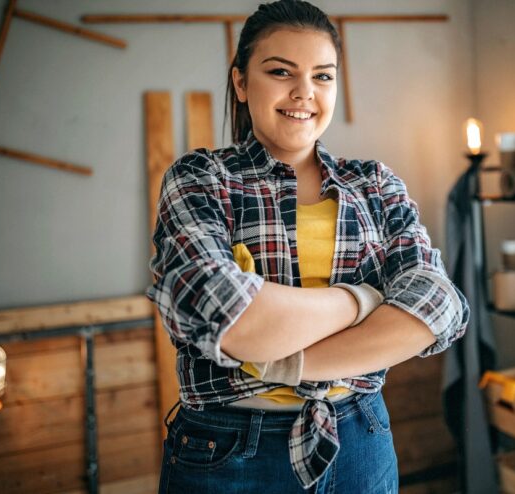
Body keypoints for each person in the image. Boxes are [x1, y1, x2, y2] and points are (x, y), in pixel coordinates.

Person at [146, 1, 469, 492]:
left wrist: (287, 361)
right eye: (281, 72)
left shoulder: (375, 184)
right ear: (240, 82)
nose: (304, 93)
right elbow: (230, 316)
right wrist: (363, 299)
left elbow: (439, 306)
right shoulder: (201, 178)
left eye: (323, 76)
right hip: (230, 451)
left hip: (359, 439)